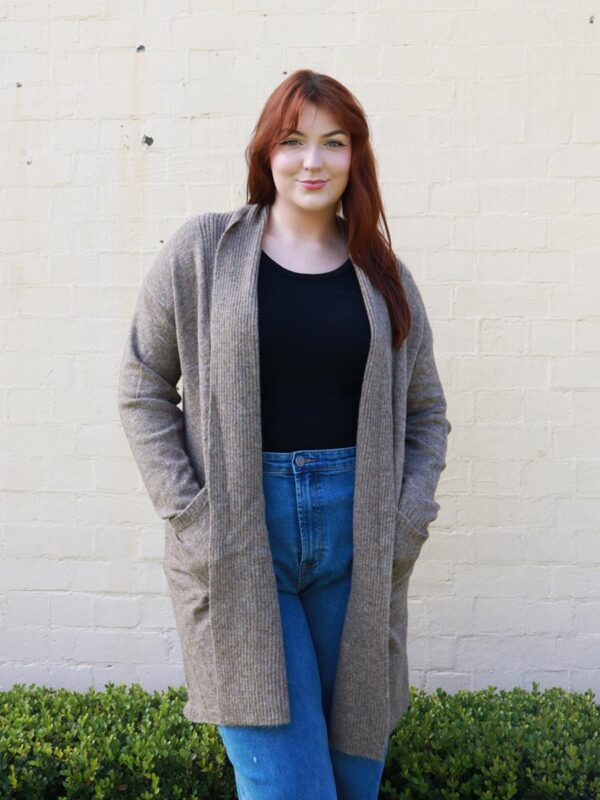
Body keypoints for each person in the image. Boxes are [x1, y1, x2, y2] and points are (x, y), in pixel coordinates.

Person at [117, 69, 451, 800]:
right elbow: (143, 386)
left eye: (333, 143)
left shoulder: (384, 276)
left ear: (355, 158)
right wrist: (192, 515)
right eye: (294, 140)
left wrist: (406, 520)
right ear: (267, 153)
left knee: (352, 776)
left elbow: (426, 413)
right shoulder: (203, 253)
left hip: (358, 543)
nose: (312, 160)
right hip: (239, 542)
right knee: (288, 786)